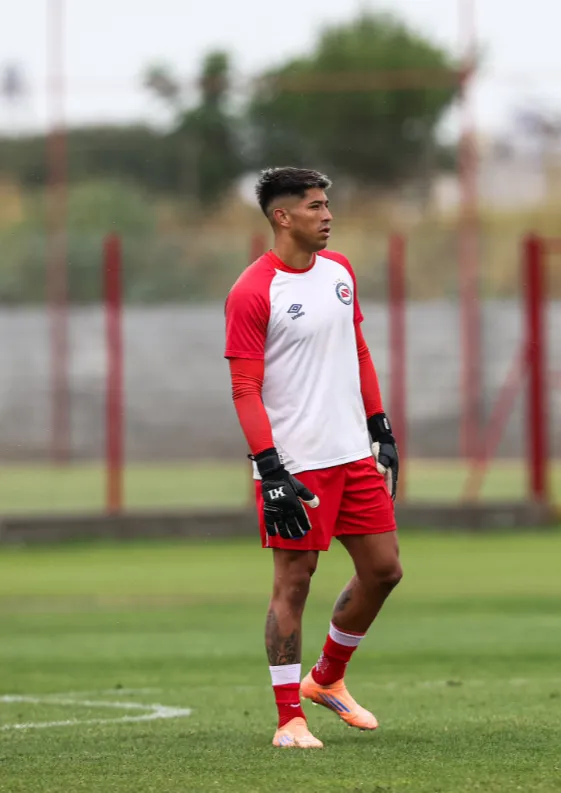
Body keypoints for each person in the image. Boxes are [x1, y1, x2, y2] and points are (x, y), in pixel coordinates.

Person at [224, 166, 402, 749]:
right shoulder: (253, 291)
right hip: (295, 465)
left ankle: (325, 680)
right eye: (314, 206)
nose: (327, 215)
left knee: (384, 570)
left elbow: (357, 347)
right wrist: (271, 471)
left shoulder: (340, 271)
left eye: (328, 204)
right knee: (294, 583)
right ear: (282, 216)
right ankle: (287, 719)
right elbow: (245, 390)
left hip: (352, 453)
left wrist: (380, 426)